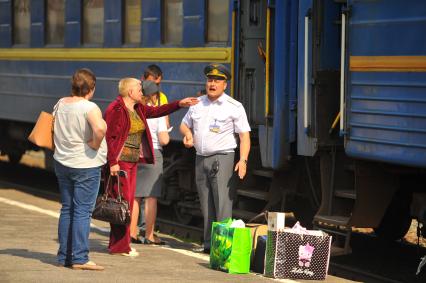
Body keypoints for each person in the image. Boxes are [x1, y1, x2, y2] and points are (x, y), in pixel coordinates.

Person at [104, 78, 198, 256]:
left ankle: (121, 245)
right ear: (130, 92)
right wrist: (113, 162)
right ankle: (120, 246)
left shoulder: (137, 108)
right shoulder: (115, 109)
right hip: (121, 163)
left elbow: (157, 111)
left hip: (132, 163)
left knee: (127, 204)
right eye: (139, 90)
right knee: (121, 204)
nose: (142, 93)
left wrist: (179, 104)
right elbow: (109, 138)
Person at [180, 63, 251, 253]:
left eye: (217, 81)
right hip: (200, 158)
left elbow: (244, 136)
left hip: (222, 158)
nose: (212, 84)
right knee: (206, 204)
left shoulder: (234, 107)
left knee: (222, 205)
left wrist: (243, 160)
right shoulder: (198, 103)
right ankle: (210, 245)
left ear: (225, 85)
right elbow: (184, 125)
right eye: (210, 80)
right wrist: (188, 134)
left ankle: (223, 249)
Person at [53, 68, 107, 270]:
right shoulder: (89, 107)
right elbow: (100, 129)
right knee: (82, 212)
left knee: (67, 209)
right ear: (91, 89)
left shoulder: (60, 103)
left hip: (63, 162)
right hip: (85, 165)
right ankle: (80, 258)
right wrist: (94, 143)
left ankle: (64, 257)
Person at [130, 81, 169, 245]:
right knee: (151, 198)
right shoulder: (156, 113)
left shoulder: (132, 111)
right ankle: (150, 235)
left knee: (135, 196)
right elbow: (164, 139)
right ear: (153, 96)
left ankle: (132, 233)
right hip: (153, 154)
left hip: (135, 154)